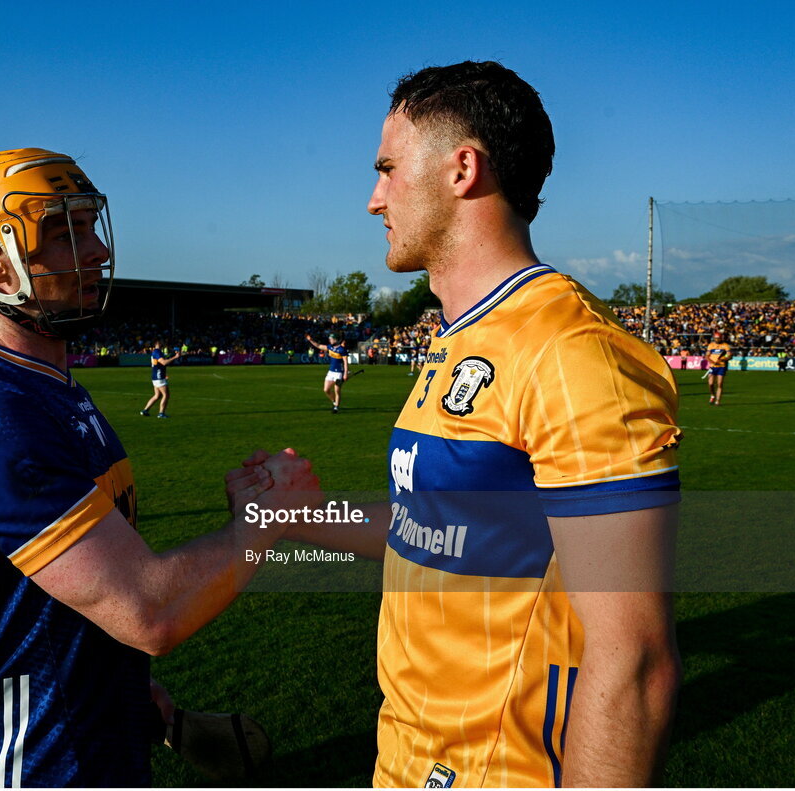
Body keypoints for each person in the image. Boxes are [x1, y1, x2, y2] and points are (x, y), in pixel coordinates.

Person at [273, 62, 682, 787]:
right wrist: (298, 513)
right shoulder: (459, 339)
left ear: (462, 168)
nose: (374, 200)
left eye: (388, 169)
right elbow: (427, 525)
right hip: (405, 762)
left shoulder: (570, 352)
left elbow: (635, 659)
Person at [0, 148, 317, 787]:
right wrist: (262, 525)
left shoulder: (49, 386)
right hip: (36, 768)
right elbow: (147, 611)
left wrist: (117, 679)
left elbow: (69, 591)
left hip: (91, 742)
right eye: (64, 233)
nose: (97, 251)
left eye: (91, 226)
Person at [305, 331, 348, 412]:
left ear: (335, 340)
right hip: (331, 372)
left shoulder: (342, 350)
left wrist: (345, 373)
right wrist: (311, 340)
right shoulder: (330, 347)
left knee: (337, 391)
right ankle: (334, 401)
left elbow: (345, 362)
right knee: (326, 389)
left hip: (339, 373)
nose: (330, 340)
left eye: (331, 339)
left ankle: (336, 407)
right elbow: (318, 346)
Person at [141, 341, 182, 418]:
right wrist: (175, 357)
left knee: (157, 396)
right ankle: (161, 413)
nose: (162, 344)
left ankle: (145, 410)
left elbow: (159, 364)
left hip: (156, 376)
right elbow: (164, 363)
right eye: (161, 343)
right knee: (166, 395)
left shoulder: (156, 352)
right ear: (157, 344)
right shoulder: (157, 352)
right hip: (159, 377)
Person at [705, 330, 732, 404]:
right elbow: (707, 356)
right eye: (716, 338)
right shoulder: (711, 345)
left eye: (718, 338)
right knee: (711, 383)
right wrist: (712, 362)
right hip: (712, 366)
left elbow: (729, 355)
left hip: (721, 366)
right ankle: (712, 395)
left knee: (719, 384)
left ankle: (718, 401)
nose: (717, 340)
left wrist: (723, 358)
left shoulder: (725, 345)